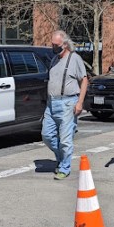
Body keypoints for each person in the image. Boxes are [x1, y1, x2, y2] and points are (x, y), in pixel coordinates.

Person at [42, 30, 88, 180]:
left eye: (56, 45)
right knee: (47, 135)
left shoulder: (75, 59)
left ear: (65, 44)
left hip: (68, 102)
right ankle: (62, 157)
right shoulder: (54, 59)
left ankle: (64, 168)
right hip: (52, 102)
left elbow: (84, 80)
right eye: (52, 44)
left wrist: (80, 102)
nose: (53, 47)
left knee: (66, 139)